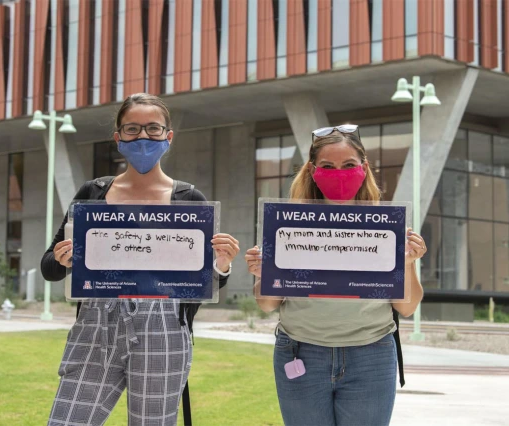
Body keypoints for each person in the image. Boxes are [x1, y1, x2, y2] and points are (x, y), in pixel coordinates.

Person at [41, 93, 240, 426]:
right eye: (132, 129)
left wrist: (222, 264)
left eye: (153, 128)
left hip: (163, 330)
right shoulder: (93, 193)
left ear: (168, 136)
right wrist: (63, 260)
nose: (143, 137)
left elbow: (205, 284)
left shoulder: (188, 199)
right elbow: (49, 267)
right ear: (118, 138)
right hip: (96, 326)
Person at [245, 124, 426, 426]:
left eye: (348, 165)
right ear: (313, 170)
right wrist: (262, 273)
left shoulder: (387, 228)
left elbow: (406, 308)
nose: (338, 173)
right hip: (300, 352)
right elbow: (267, 304)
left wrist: (408, 262)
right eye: (328, 166)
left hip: (371, 355)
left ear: (364, 168)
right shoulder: (287, 226)